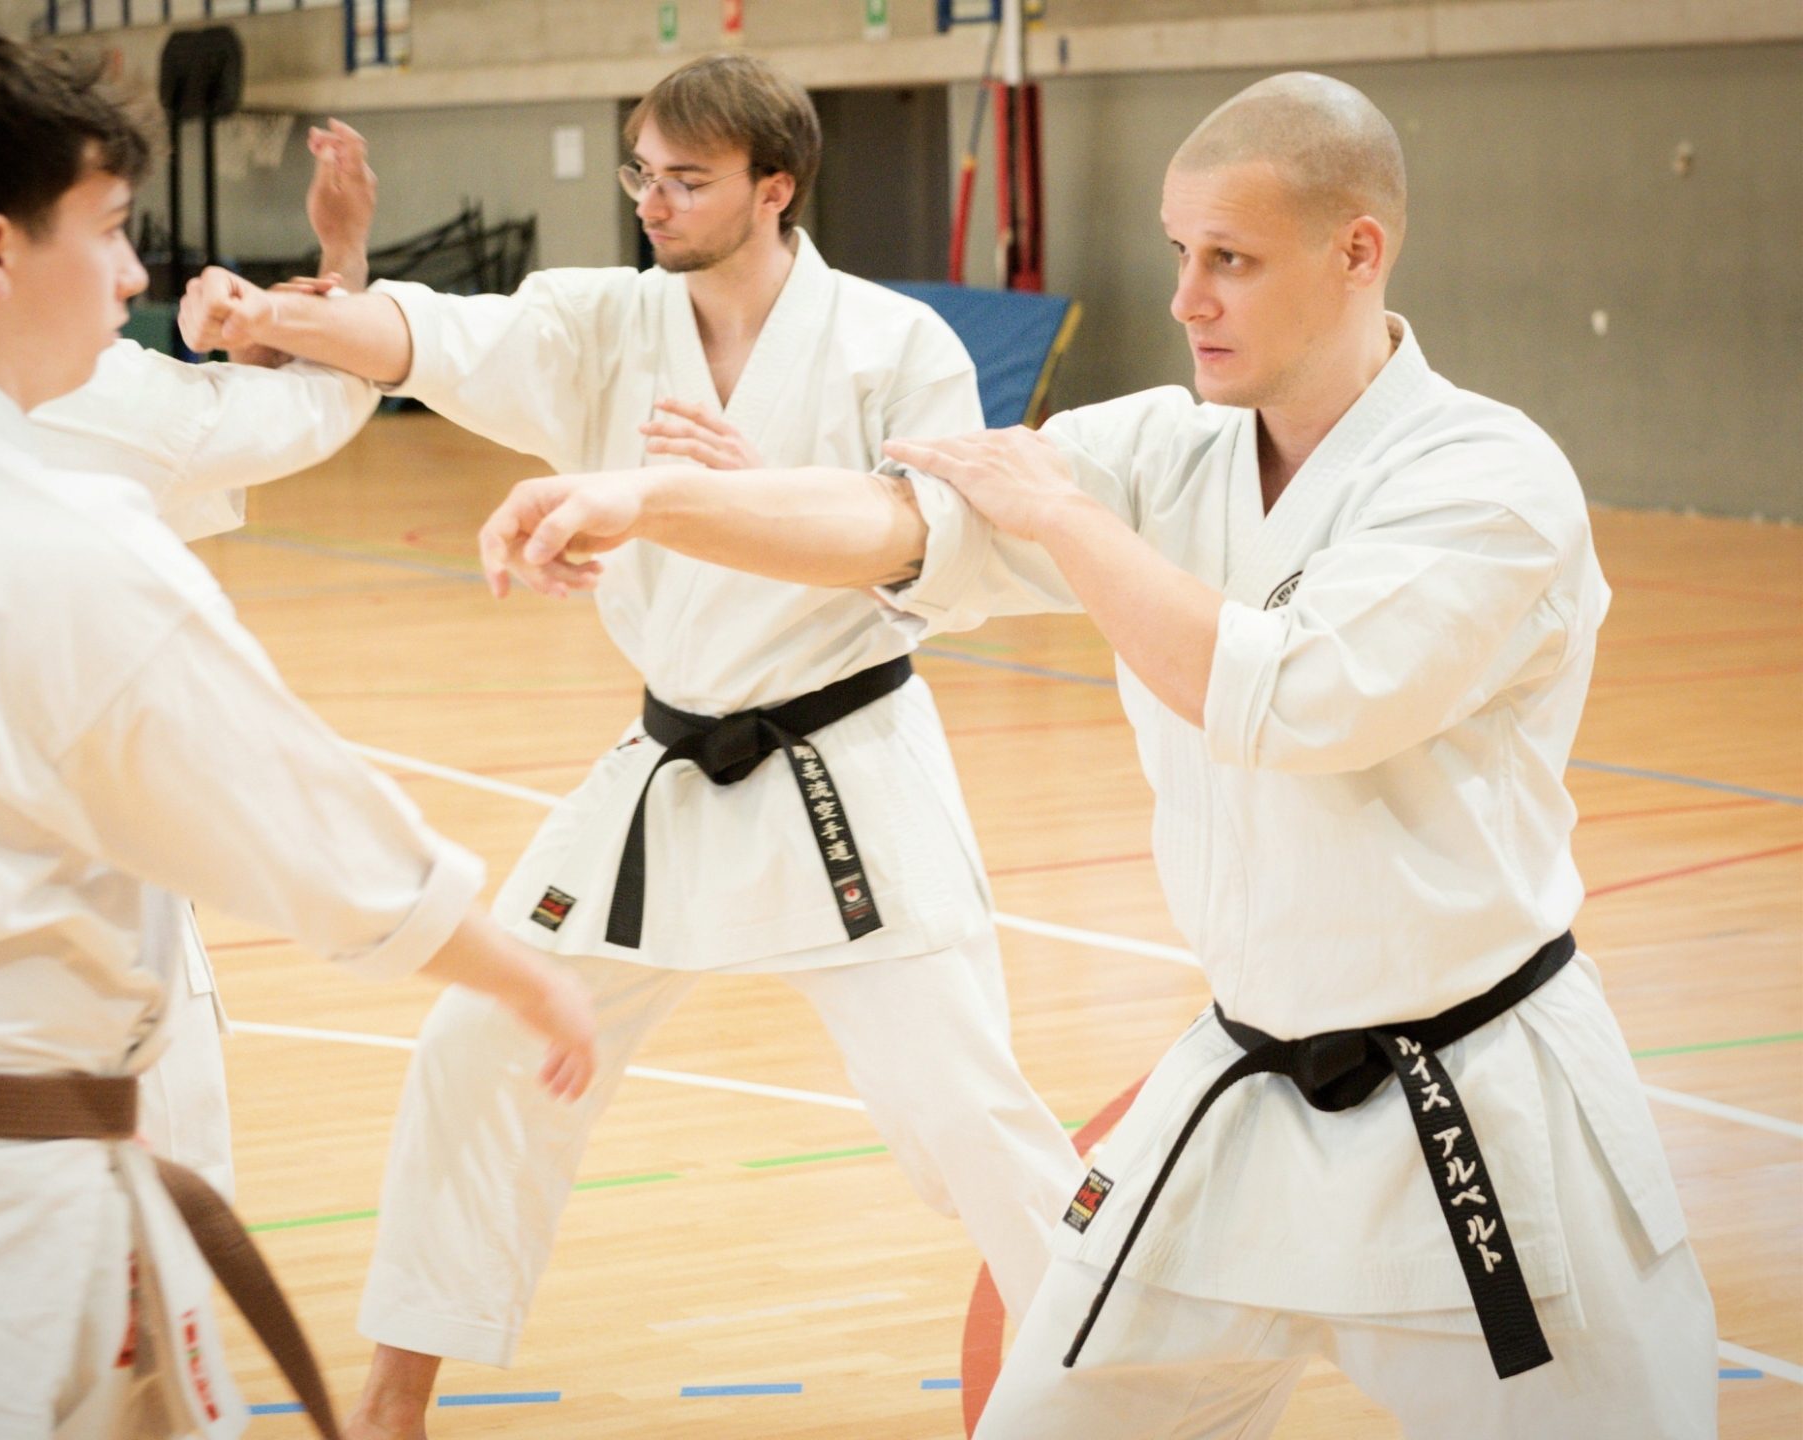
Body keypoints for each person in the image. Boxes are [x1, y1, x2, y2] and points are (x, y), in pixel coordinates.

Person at [480, 71, 1718, 1440]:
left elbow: (1290, 701)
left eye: (1231, 262)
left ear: (1359, 251)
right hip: (1243, 1091)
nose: (1188, 298)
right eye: (1181, 254)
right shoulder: (1165, 448)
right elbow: (903, 520)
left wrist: (1065, 527)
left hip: (1483, 1106)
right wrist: (653, 497)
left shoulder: (1488, 479)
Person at [179, 50, 1081, 1439]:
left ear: (776, 188)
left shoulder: (898, 348)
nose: (653, 202)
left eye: (688, 180)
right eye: (640, 174)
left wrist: (750, 497)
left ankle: (1114, 1380)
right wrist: (274, 316)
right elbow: (430, 338)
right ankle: (391, 1400)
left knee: (968, 1115)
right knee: (479, 1052)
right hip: (665, 774)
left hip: (851, 774)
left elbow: (940, 552)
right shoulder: (604, 321)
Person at [0, 17, 593, 1438]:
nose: (132, 274)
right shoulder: (68, 531)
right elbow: (301, 824)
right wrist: (525, 976)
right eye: (112, 233)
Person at [0, 122, 381, 1202]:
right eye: (110, 231)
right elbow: (314, 409)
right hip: (62, 957)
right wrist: (341, 262)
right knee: (137, 1227)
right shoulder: (96, 409)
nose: (132, 271)